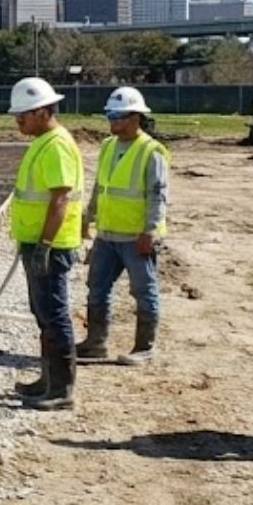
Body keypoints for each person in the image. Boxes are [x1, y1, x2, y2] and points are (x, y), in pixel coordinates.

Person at [7, 76, 85, 410]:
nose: (18, 120)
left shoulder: (55, 145)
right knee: (43, 315)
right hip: (38, 243)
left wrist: (44, 244)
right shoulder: (43, 141)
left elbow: (59, 200)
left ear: (41, 112)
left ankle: (61, 389)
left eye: (23, 114)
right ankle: (48, 380)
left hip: (50, 246)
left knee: (54, 316)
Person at [81, 87, 169, 365]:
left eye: (118, 115)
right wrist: (88, 216)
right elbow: (101, 186)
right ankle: (96, 342)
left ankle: (145, 347)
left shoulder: (151, 152)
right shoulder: (108, 145)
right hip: (107, 235)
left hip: (136, 237)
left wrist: (150, 231)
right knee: (96, 287)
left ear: (135, 117)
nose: (112, 121)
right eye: (109, 115)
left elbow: (158, 195)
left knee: (144, 290)